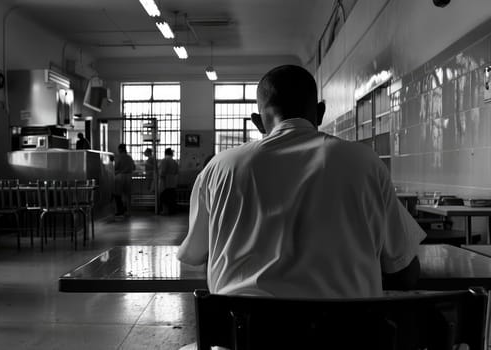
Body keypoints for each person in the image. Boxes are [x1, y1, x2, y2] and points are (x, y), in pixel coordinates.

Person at [178, 65, 425, 299]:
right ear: (319, 112)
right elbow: (404, 273)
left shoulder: (219, 169)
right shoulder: (365, 164)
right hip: (348, 334)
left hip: (243, 334)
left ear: (257, 121)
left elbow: (198, 256)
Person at [114, 143, 135, 216]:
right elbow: (134, 167)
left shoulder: (119, 157)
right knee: (128, 195)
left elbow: (115, 167)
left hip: (120, 176)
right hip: (129, 176)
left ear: (120, 149)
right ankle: (128, 211)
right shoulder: (129, 157)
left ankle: (120, 210)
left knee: (119, 194)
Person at [158, 148, 179, 215]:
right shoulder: (174, 161)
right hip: (172, 180)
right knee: (171, 197)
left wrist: (161, 176)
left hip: (165, 180)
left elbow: (162, 171)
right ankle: (171, 211)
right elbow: (176, 171)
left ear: (165, 153)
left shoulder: (164, 160)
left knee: (164, 196)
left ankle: (165, 211)